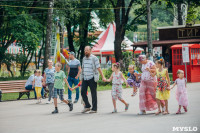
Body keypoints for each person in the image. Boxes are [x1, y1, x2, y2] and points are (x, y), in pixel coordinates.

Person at [80, 46, 106, 113]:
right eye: (85, 50)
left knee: (93, 93)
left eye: (87, 50)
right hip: (85, 78)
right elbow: (83, 68)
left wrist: (103, 76)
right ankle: (87, 106)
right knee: (82, 92)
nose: (85, 51)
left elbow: (98, 68)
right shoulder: (84, 59)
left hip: (92, 78)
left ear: (90, 50)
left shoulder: (94, 58)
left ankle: (94, 109)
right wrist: (81, 78)